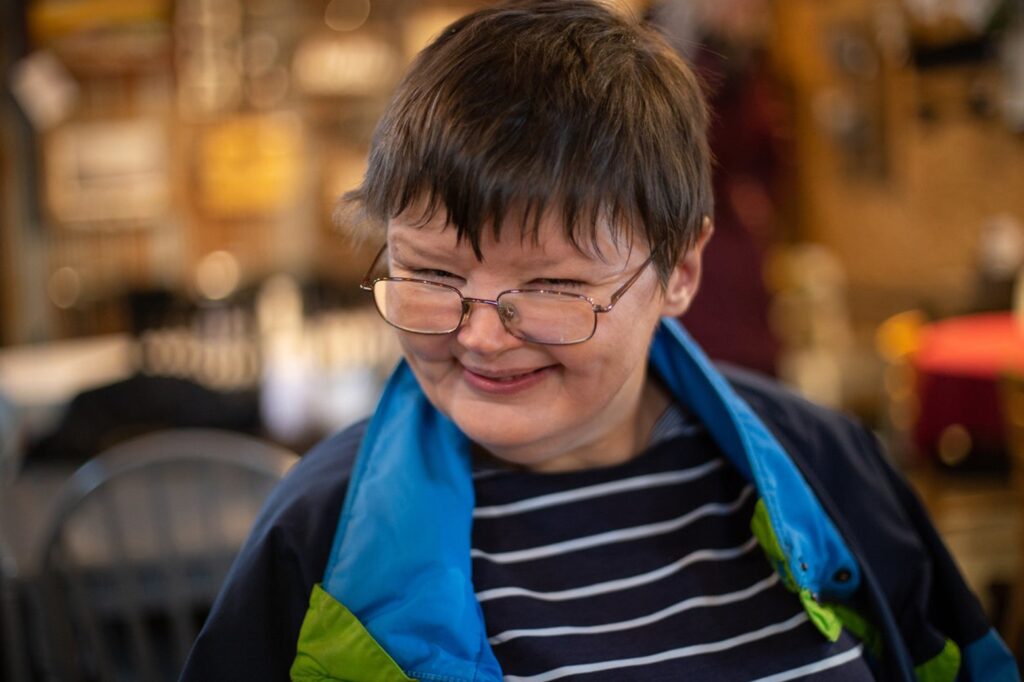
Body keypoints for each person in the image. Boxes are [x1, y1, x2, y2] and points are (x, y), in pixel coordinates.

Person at [181, 1, 1018, 680]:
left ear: (680, 269)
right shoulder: (326, 536)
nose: (482, 337)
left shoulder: (825, 469)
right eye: (431, 275)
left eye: (550, 288)